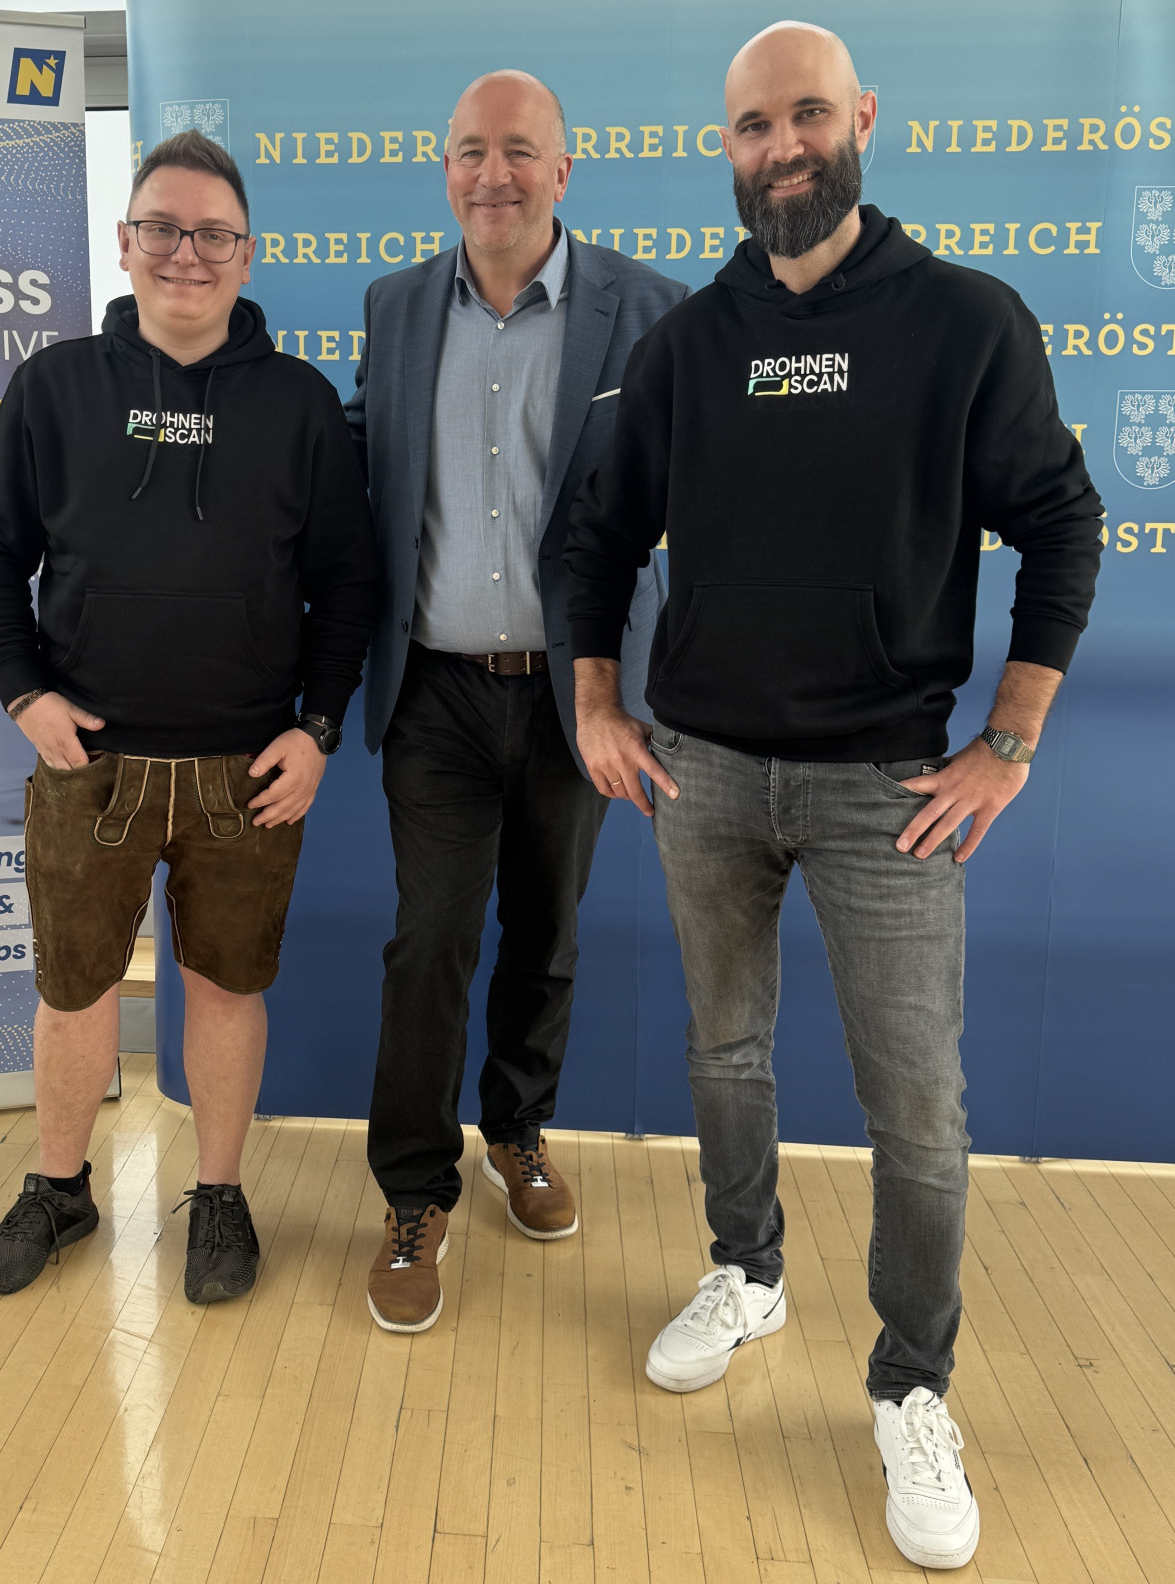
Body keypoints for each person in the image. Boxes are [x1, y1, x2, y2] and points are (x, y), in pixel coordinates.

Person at [565, 21, 1101, 1572]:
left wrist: (1010, 740)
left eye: (807, 115)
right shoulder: (690, 342)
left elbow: (1062, 527)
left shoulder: (965, 320)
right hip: (705, 773)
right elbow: (599, 534)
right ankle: (748, 1273)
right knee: (724, 1052)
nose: (783, 147)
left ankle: (911, 1386)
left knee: (916, 1108)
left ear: (861, 118)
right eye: (754, 125)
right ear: (726, 149)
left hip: (889, 787)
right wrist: (595, 701)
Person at [0, 130, 377, 1306]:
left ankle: (220, 1195)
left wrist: (319, 726)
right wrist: (23, 692)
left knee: (229, 988)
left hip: (246, 768)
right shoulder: (54, 388)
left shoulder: (298, 405)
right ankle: (59, 1188)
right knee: (74, 989)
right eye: (163, 229)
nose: (186, 253)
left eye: (212, 235)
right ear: (125, 241)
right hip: (88, 763)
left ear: (248, 254)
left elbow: (349, 583)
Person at [345, 70, 687, 1334]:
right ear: (446, 170)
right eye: (471, 151)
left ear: (563, 170)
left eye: (520, 151)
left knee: (546, 932)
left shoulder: (648, 309)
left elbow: (690, 498)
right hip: (433, 688)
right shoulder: (393, 307)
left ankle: (519, 1131)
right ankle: (411, 1192)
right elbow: (363, 464)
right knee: (429, 940)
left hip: (575, 696)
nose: (494, 174)